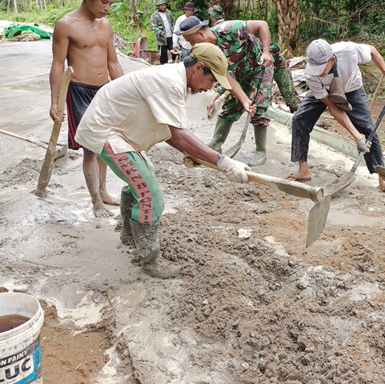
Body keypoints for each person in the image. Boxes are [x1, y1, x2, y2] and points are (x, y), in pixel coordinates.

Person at [74, 43, 252, 278]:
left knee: (144, 171)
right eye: (212, 81)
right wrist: (224, 163)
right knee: (150, 196)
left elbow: (171, 130)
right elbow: (177, 135)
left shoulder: (175, 80)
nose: (211, 87)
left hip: (119, 130)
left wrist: (196, 153)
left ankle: (129, 233)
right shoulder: (169, 82)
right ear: (198, 68)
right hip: (106, 131)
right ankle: (151, 262)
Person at [49, 0, 123, 218]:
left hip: (105, 91)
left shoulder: (106, 26)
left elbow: (113, 62)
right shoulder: (66, 25)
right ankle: (96, 202)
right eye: (104, 2)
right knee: (90, 148)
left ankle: (103, 191)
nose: (107, 9)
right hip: (79, 91)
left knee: (105, 144)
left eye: (111, 4)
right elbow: (58, 64)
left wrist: (124, 91)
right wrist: (55, 102)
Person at [177, 16, 298, 165]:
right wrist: (244, 100)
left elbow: (262, 24)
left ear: (201, 34)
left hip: (261, 68)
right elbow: (225, 77)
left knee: (259, 107)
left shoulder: (229, 29)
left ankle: (261, 151)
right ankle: (216, 143)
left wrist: (266, 52)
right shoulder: (206, 52)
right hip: (241, 75)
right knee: (231, 106)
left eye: (191, 41)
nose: (191, 46)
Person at [288, 39, 385, 199]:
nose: (319, 72)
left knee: (368, 129)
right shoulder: (311, 74)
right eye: (315, 68)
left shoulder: (348, 51)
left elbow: (373, 51)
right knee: (299, 119)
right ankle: (303, 169)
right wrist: (356, 137)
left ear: (332, 59)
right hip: (324, 92)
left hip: (352, 89)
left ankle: (383, 179)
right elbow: (333, 107)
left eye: (321, 68)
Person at [150, 0, 174, 65]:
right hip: (162, 39)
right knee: (163, 56)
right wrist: (160, 32)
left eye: (164, 5)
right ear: (158, 6)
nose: (163, 7)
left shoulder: (169, 13)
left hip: (171, 36)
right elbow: (153, 26)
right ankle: (164, 67)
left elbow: (172, 22)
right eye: (161, 5)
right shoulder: (155, 15)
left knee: (174, 52)